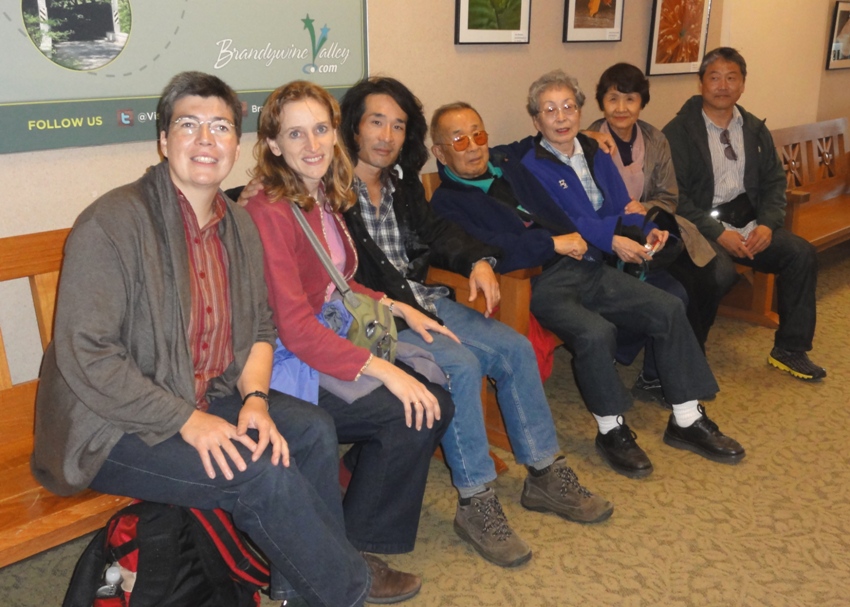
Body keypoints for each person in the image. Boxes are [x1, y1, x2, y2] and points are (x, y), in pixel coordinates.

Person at [30, 72, 370, 607]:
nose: (206, 140)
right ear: (164, 140)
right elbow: (87, 353)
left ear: (238, 144)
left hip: (206, 392)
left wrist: (255, 401)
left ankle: (295, 590)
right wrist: (187, 421)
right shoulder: (113, 223)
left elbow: (260, 326)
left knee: (310, 430)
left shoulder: (237, 223)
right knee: (260, 473)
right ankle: (342, 590)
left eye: (221, 127)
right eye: (188, 125)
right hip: (111, 424)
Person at [335, 76, 613, 568]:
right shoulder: (333, 193)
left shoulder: (400, 184)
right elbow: (348, 279)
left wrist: (478, 260)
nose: (387, 135)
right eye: (376, 122)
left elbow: (439, 233)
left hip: (424, 300)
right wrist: (407, 307)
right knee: (461, 366)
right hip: (379, 318)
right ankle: (475, 501)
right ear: (354, 128)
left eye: (398, 125)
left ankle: (546, 474)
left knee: (515, 348)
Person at [428, 101, 746, 480]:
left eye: (478, 134)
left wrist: (587, 135)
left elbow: (534, 139)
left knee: (668, 306)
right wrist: (552, 244)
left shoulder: (506, 163)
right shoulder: (446, 203)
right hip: (534, 282)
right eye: (459, 140)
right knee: (596, 332)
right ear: (439, 152)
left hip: (582, 266)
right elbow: (492, 248)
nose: (473, 146)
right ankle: (612, 430)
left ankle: (686, 417)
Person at [242, 80, 454, 597]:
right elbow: (293, 326)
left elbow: (338, 281)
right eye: (296, 134)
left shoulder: (317, 194)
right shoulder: (270, 211)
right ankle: (347, 554)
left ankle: (351, 525)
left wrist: (398, 305)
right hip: (289, 358)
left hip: (325, 336)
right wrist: (381, 369)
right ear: (273, 145)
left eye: (321, 129)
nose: (313, 145)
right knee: (410, 408)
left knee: (433, 397)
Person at [504, 68, 693, 410]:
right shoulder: (530, 166)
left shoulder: (595, 151)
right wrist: (613, 240)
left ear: (580, 111)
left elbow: (623, 204)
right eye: (549, 110)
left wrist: (648, 227)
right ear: (535, 121)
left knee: (674, 300)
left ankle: (688, 412)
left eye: (568, 107)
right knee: (622, 319)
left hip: (607, 257)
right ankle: (618, 414)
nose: (561, 117)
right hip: (573, 265)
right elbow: (567, 220)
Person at [663, 47, 826, 381]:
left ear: (742, 84)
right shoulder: (678, 132)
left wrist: (768, 225)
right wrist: (718, 233)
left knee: (801, 254)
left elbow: (774, 183)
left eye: (731, 77)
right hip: (705, 230)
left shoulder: (753, 128)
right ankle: (692, 354)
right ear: (701, 83)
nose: (723, 85)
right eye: (714, 77)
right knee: (719, 274)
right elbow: (676, 196)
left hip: (750, 225)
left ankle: (790, 350)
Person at [587, 62, 722, 361]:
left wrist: (644, 207)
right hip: (615, 237)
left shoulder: (655, 139)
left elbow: (669, 196)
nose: (621, 108)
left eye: (630, 99)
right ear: (601, 103)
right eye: (612, 99)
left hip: (655, 228)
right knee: (677, 289)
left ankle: (690, 355)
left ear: (642, 102)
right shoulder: (588, 141)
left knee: (709, 277)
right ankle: (658, 362)